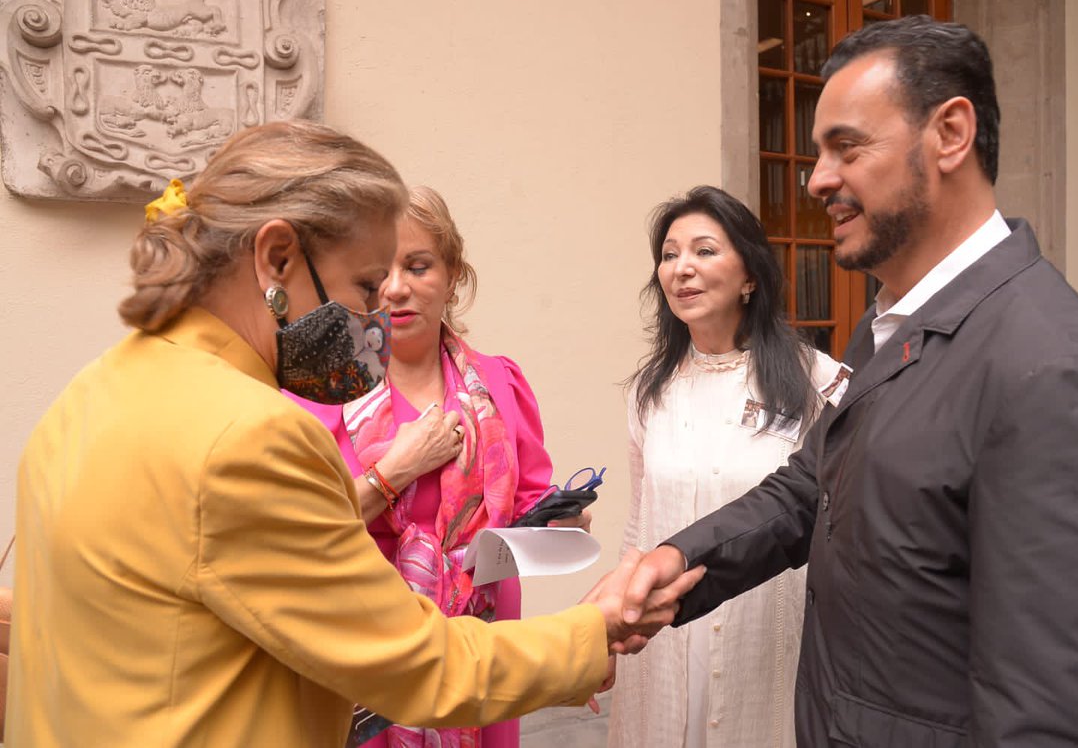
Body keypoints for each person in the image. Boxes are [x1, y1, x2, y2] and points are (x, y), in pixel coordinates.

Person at [7, 120, 700, 748]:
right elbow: (418, 666)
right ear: (277, 258)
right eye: (366, 285)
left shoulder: (86, 395)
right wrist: (595, 627)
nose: (376, 313)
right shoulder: (249, 435)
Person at [620, 16, 1078, 747]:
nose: (818, 179)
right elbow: (808, 487)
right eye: (819, 153)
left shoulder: (1067, 379)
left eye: (846, 148)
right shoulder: (890, 329)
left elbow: (1060, 716)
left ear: (950, 134)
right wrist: (678, 558)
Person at [287, 185, 587, 748]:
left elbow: (526, 506)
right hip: (364, 665)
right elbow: (295, 535)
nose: (396, 289)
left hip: (479, 655)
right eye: (377, 275)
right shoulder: (316, 395)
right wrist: (394, 471)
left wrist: (557, 523)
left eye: (418, 266)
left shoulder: (501, 384)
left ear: (452, 276)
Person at [608, 186, 845, 748]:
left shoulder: (820, 382)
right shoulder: (650, 390)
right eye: (669, 255)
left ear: (750, 277)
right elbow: (640, 524)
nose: (681, 269)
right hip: (663, 643)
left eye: (704, 251)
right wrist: (609, 630)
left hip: (769, 638)